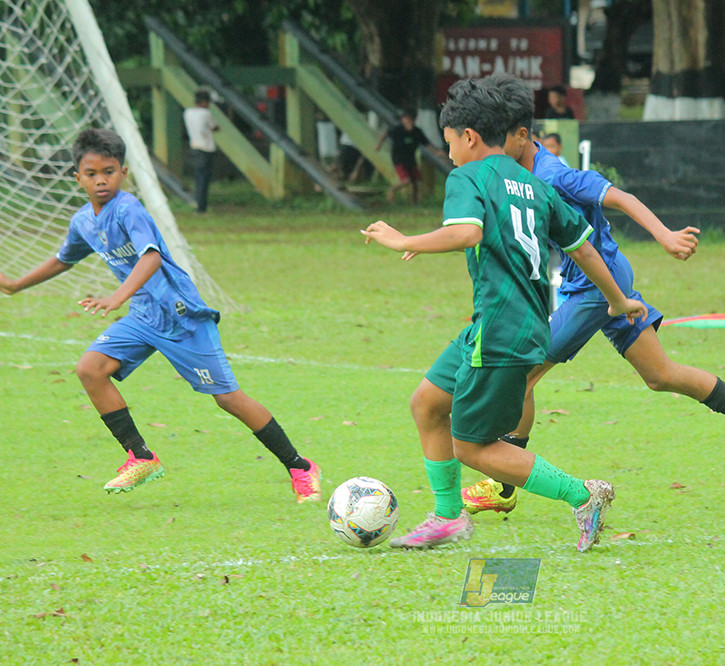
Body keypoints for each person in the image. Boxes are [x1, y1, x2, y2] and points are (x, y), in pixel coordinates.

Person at [460, 74, 725, 515]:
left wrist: (665, 235)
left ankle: (503, 484)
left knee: (522, 370)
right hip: (601, 282)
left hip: (597, 289)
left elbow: (618, 197)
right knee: (661, 375)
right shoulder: (516, 171)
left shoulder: (553, 174)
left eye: (496, 139)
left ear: (522, 136)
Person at [361, 78, 649, 552]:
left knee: (472, 447)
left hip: (500, 331)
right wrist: (617, 300)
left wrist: (405, 239)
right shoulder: (535, 186)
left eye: (449, 140)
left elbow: (468, 232)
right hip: (506, 325)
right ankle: (448, 516)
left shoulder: (468, 177)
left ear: (469, 136)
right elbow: (585, 249)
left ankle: (584, 495)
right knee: (427, 404)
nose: (448, 152)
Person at [0, 128, 321, 502]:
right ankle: (141, 456)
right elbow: (62, 260)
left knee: (228, 399)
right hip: (143, 316)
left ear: (124, 173)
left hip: (180, 315)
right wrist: (14, 285)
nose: (101, 180)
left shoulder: (128, 209)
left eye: (109, 171)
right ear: (77, 178)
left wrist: (118, 296)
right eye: (92, 174)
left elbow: (150, 256)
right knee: (90, 368)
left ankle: (300, 466)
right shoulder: (83, 222)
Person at [375, 109, 440, 204]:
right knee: (406, 180)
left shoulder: (417, 132)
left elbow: (427, 144)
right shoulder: (398, 130)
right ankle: (392, 190)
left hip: (411, 159)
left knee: (416, 181)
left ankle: (414, 202)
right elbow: (385, 134)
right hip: (399, 159)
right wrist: (378, 145)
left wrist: (437, 152)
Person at [183, 90, 220, 214]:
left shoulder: (188, 113)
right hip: (206, 149)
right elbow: (215, 126)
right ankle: (201, 207)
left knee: (198, 178)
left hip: (194, 147)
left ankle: (198, 203)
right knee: (204, 179)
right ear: (205, 102)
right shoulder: (206, 113)